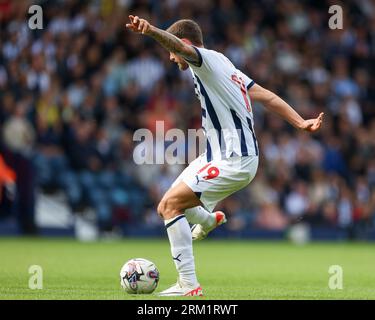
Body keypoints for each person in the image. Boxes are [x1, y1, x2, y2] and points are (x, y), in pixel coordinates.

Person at [126, 15, 324, 296]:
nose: (171, 58)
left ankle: (189, 285)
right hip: (215, 155)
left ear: (182, 44)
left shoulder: (203, 60)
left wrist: (151, 31)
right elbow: (266, 96)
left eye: (171, 51)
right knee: (164, 207)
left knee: (171, 206)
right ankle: (209, 220)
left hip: (235, 159)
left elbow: (180, 48)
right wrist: (300, 121)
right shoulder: (225, 64)